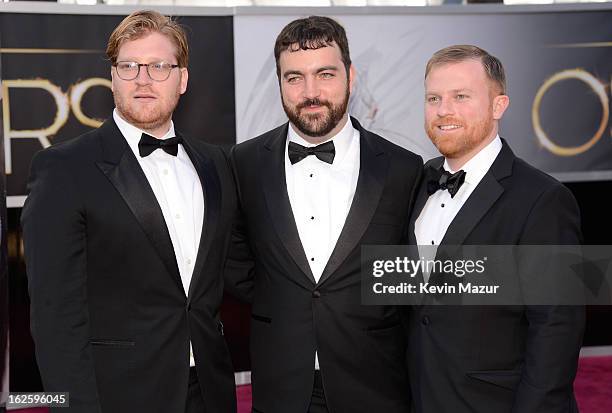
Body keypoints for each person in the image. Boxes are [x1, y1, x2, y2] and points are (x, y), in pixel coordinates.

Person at [21, 10, 236, 413]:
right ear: (114, 77)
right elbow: (55, 316)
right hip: (119, 396)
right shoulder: (64, 169)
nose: (142, 78)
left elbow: (234, 271)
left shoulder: (215, 164)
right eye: (129, 66)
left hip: (210, 390)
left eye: (159, 66)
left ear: (182, 79)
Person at [225, 15, 423, 413]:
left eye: (325, 74)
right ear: (279, 83)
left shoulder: (404, 168)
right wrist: (284, 301)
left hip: (375, 385)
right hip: (281, 385)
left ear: (350, 76)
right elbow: (235, 260)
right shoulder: (243, 163)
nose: (310, 91)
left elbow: (411, 272)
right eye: (294, 77)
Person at [405, 45, 584, 413]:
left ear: (499, 105)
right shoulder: (416, 183)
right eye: (433, 97)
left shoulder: (545, 199)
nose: (443, 110)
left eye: (461, 96)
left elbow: (556, 330)